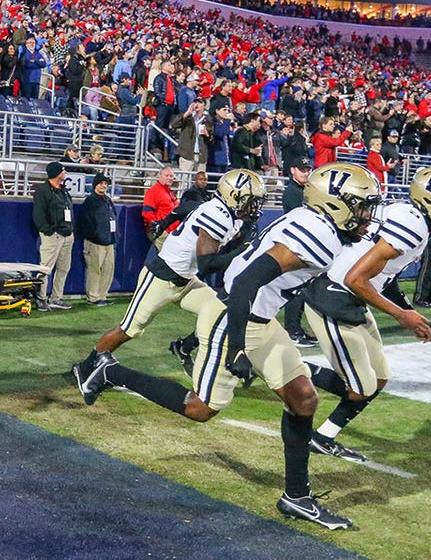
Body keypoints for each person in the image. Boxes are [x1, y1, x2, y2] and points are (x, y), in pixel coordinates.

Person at [75, 163, 381, 531]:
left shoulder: (315, 222)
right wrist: (237, 347)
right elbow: (246, 282)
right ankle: (110, 371)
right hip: (235, 316)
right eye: (362, 206)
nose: (367, 215)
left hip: (261, 319)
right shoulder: (319, 233)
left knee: (303, 399)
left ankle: (296, 498)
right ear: (334, 205)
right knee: (200, 409)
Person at [301, 166, 431, 463]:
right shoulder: (413, 224)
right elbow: (356, 278)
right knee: (361, 386)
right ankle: (288, 366)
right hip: (335, 298)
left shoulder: (411, 216)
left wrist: (406, 309)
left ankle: (323, 437)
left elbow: (382, 276)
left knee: (378, 378)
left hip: (352, 298)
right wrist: (401, 316)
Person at [73, 169, 264, 375]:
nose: (253, 205)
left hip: (186, 280)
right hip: (162, 277)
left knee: (222, 312)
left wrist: (165, 222)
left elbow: (186, 208)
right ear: (234, 196)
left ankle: (184, 347)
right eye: (250, 199)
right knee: (129, 329)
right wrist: (243, 249)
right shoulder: (217, 215)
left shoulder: (220, 209)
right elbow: (207, 265)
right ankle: (86, 366)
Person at [281, 156, 314, 346]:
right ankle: (292, 331)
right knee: (297, 290)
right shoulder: (292, 192)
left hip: (303, 244)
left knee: (303, 289)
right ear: (292, 170)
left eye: (308, 169)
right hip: (296, 245)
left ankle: (297, 328)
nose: (306, 173)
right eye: (302, 170)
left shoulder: (304, 189)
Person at [33, 161, 74, 310]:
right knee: (45, 268)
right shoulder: (43, 191)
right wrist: (48, 230)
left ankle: (56, 297)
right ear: (56, 173)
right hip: (53, 235)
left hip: (67, 234)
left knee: (64, 268)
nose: (65, 172)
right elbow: (38, 215)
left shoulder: (63, 190)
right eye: (63, 170)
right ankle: (41, 297)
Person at [77, 173, 116, 306]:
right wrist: (94, 236)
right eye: (101, 183)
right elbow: (84, 222)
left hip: (109, 241)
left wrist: (115, 236)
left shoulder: (108, 200)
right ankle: (93, 297)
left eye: (105, 184)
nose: (104, 186)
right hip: (95, 242)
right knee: (94, 270)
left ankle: (102, 295)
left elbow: (113, 218)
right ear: (95, 185)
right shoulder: (90, 201)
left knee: (108, 269)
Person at [142, 167, 179, 250]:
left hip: (172, 232)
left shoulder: (170, 192)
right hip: (163, 233)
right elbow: (147, 213)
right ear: (160, 176)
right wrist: (159, 227)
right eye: (167, 175)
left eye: (171, 176)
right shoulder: (153, 191)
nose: (170, 178)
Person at [172, 100, 210, 172]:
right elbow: (174, 125)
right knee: (184, 180)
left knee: (199, 181)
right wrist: (186, 114)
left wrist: (207, 135)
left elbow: (212, 138)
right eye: (195, 102)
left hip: (201, 156)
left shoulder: (207, 119)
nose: (197, 104)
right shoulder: (187, 117)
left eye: (200, 103)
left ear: (204, 106)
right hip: (187, 154)